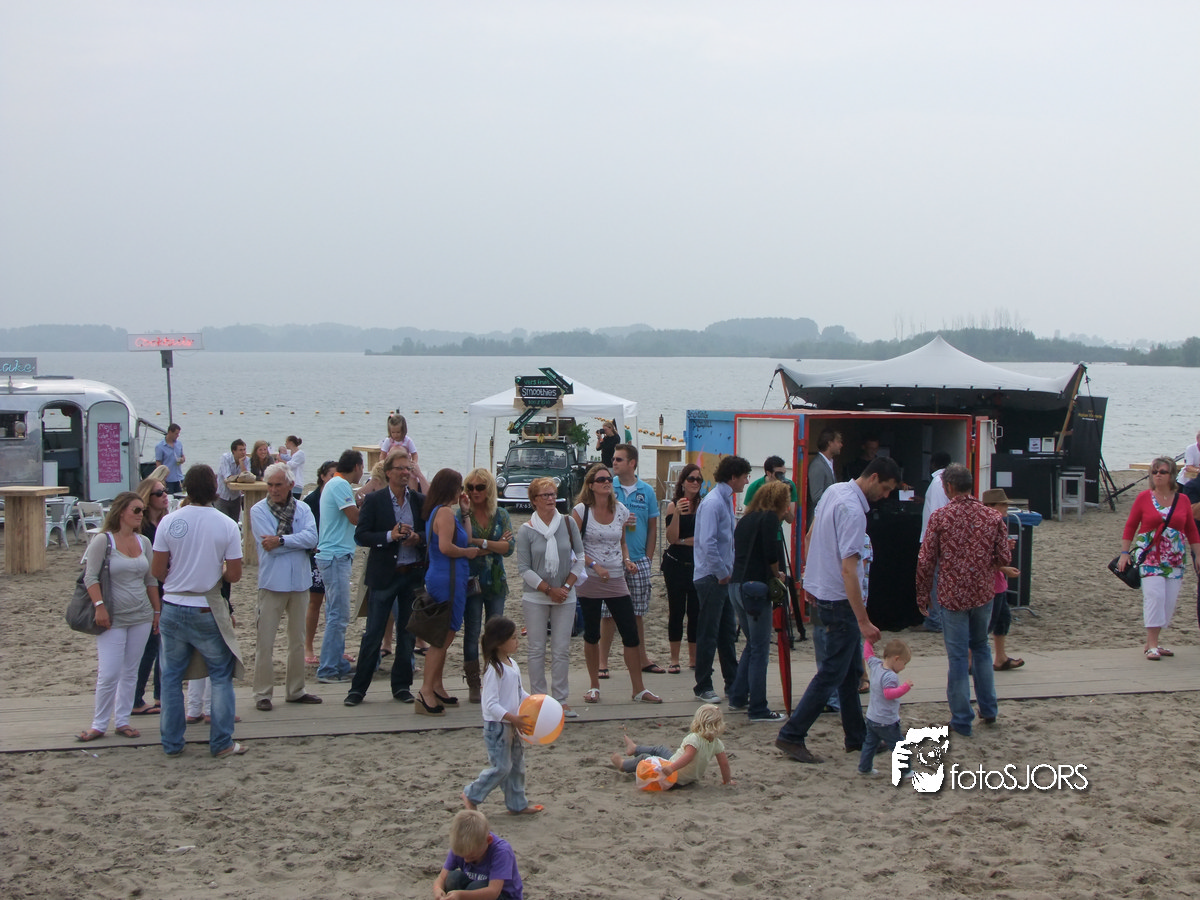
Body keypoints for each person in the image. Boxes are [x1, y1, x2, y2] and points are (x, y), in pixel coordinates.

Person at [775, 456, 901, 764]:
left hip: (825, 592)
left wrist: (811, 579)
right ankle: (792, 733)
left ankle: (856, 736)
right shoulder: (853, 510)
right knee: (832, 672)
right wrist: (864, 620)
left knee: (848, 671)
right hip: (839, 599)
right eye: (885, 488)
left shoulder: (835, 491)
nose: (885, 496)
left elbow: (809, 537)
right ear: (873, 478)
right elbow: (849, 569)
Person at [152, 465, 246, 758]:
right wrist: (215, 572)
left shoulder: (169, 522)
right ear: (215, 489)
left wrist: (179, 578)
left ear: (186, 489)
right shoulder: (227, 524)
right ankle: (221, 742)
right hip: (206, 606)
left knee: (171, 677)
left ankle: (172, 742)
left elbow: (157, 569)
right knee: (220, 675)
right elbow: (234, 574)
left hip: (173, 603)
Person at [916, 464, 1010, 737]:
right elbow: (1004, 557)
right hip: (982, 593)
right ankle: (988, 709)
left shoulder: (940, 517)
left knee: (958, 656)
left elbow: (926, 560)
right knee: (981, 647)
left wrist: (923, 594)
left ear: (948, 487)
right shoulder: (992, 517)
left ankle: (961, 718)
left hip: (952, 595)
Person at [572, 465, 662, 705]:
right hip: (591, 580)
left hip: (616, 578)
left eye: (609, 479)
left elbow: (622, 542)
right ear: (591, 485)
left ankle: (639, 689)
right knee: (592, 634)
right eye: (601, 479)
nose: (607, 482)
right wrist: (594, 566)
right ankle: (594, 686)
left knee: (630, 632)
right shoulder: (581, 511)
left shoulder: (620, 510)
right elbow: (575, 548)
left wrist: (627, 560)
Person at [75, 492, 161, 742]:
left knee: (131, 670)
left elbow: (150, 580)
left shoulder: (144, 542)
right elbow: (90, 577)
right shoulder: (104, 540)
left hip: (141, 615)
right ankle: (99, 724)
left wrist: (156, 611)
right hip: (113, 616)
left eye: (142, 510)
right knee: (109, 672)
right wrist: (99, 606)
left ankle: (122, 720)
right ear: (121, 511)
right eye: (136, 510)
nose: (140, 515)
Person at [344, 449, 427, 706]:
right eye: (400, 468)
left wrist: (418, 538)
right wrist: (390, 535)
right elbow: (361, 535)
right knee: (373, 633)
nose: (405, 473)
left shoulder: (418, 501)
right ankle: (358, 689)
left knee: (407, 634)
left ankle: (401, 686)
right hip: (383, 576)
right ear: (388, 472)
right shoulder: (375, 500)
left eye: (408, 468)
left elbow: (430, 534)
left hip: (411, 574)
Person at [249, 462, 322, 711]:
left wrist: (281, 540)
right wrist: (294, 543)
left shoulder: (303, 508)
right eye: (270, 485)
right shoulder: (258, 510)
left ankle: (296, 690)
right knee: (265, 641)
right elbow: (268, 546)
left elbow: (312, 538)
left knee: (297, 640)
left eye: (278, 485)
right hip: (272, 583)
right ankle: (262, 693)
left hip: (300, 582)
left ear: (290, 485)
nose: (273, 490)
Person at [1117, 457, 1200, 661]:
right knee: (1155, 596)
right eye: (1154, 472)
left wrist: (1198, 554)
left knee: (1168, 602)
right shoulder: (1144, 497)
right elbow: (1131, 525)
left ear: (1172, 475)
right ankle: (1152, 645)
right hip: (1150, 557)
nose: (1158, 475)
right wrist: (1124, 553)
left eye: (1162, 472)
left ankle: (1152, 642)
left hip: (1175, 558)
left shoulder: (1182, 499)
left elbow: (1191, 529)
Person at [516, 476, 585, 718]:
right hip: (536, 597)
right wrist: (548, 589)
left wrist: (565, 586)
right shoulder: (526, 530)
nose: (550, 499)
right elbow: (524, 569)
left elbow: (580, 557)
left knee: (561, 649)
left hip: (565, 595)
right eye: (545, 495)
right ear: (534, 500)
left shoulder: (567, 523)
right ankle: (539, 700)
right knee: (536, 649)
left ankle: (561, 700)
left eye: (553, 494)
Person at [461, 616, 542, 816]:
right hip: (497, 727)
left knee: (517, 766)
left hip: (513, 725)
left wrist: (535, 701)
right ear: (499, 642)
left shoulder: (512, 664)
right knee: (501, 768)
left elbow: (518, 692)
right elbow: (490, 704)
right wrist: (512, 718)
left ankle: (517, 804)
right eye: (513, 638)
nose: (517, 641)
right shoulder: (493, 669)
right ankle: (471, 794)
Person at [417, 468, 482, 716]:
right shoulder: (443, 512)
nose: (462, 492)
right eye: (460, 487)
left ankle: (436, 686)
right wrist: (466, 553)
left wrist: (465, 513)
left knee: (445, 633)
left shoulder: (443, 511)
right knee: (442, 635)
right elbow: (446, 547)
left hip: (450, 576)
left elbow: (466, 537)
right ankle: (425, 690)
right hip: (447, 578)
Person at [728, 479, 791, 722]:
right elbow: (771, 553)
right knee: (760, 648)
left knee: (752, 644)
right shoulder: (769, 519)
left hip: (736, 584)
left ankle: (738, 695)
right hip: (755, 587)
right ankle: (758, 707)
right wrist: (777, 575)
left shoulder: (746, 519)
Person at [692, 454, 752, 704]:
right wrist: (721, 573)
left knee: (727, 633)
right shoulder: (714, 502)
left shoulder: (725, 499)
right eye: (745, 476)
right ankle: (703, 685)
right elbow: (708, 543)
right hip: (711, 577)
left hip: (723, 577)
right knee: (709, 632)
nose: (747, 481)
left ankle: (733, 684)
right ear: (733, 477)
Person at [601, 443, 662, 674]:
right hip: (612, 559)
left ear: (632, 463)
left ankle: (642, 658)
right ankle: (602, 662)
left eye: (619, 459)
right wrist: (619, 520)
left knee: (637, 613)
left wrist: (648, 557)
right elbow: (598, 519)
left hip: (638, 559)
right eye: (614, 459)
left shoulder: (647, 491)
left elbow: (653, 527)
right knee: (608, 614)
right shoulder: (609, 487)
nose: (614, 462)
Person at [458, 468, 515, 704]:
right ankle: (474, 683)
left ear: (489, 489)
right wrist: (493, 544)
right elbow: (463, 545)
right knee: (472, 632)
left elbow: (509, 549)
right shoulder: (463, 514)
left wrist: (479, 543)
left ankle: (495, 679)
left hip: (496, 582)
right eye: (470, 487)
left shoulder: (500, 514)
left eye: (480, 487)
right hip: (471, 582)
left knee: (496, 633)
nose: (474, 491)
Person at [315, 450, 363, 684]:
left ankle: (337, 662)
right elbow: (355, 518)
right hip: (335, 555)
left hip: (335, 554)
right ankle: (328, 668)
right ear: (357, 467)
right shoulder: (340, 484)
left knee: (335, 612)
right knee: (338, 614)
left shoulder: (334, 484)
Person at [610, 704, 734, 787]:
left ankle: (623, 765)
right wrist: (727, 781)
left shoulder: (694, 739)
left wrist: (671, 768)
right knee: (660, 749)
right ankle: (635, 748)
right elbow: (724, 764)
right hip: (689, 778)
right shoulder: (717, 743)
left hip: (674, 775)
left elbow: (688, 757)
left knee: (645, 758)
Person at [129, 474, 171, 716]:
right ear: (147, 498)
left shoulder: (166, 523)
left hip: (166, 588)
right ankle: (136, 698)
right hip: (148, 590)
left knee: (163, 645)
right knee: (150, 646)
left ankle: (159, 696)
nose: (165, 496)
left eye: (165, 491)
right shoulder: (141, 529)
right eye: (159, 493)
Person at [662, 464, 702, 673]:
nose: (695, 483)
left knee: (695, 612)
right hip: (676, 564)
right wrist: (677, 513)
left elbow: (703, 539)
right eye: (691, 479)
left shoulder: (703, 505)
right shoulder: (673, 505)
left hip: (697, 565)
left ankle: (693, 659)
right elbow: (672, 538)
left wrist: (684, 541)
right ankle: (674, 659)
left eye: (698, 479)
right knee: (676, 611)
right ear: (683, 482)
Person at [432, 809, 524, 900]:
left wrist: (460, 895)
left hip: (502, 895)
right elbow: (442, 878)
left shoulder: (501, 851)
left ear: (488, 841)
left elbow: (494, 892)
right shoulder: (461, 845)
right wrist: (438, 889)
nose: (466, 860)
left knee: (476, 886)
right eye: (463, 856)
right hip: (473, 887)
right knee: (454, 878)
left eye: (472, 857)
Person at [981, 488, 1024, 671]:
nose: (1006, 508)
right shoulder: (986, 525)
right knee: (987, 624)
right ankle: (971, 661)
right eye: (1003, 504)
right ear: (991, 506)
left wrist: (1005, 547)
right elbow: (984, 557)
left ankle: (1000, 658)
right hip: (990, 584)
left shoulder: (996, 524)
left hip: (997, 582)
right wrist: (1004, 567)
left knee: (1002, 619)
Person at [857, 638, 913, 777]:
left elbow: (868, 655)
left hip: (872, 718)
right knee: (899, 746)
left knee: (870, 745)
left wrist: (869, 641)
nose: (903, 667)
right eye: (904, 663)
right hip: (886, 721)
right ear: (896, 659)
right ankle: (906, 771)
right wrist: (905, 687)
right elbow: (889, 694)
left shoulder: (876, 665)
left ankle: (864, 768)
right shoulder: (890, 676)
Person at [303, 460, 337, 665]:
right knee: (315, 601)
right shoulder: (312, 500)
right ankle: (308, 646)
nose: (335, 479)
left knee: (334, 604)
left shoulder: (340, 497)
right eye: (331, 475)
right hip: (316, 555)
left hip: (336, 554)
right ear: (323, 476)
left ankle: (333, 648)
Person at [918, 451, 954, 633]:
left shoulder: (938, 482)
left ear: (933, 464)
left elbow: (938, 513)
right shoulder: (945, 482)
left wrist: (934, 543)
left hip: (935, 540)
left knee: (934, 579)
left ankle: (935, 620)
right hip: (939, 539)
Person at [807, 428, 842, 515]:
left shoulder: (828, 463)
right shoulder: (817, 465)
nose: (841, 445)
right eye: (838, 442)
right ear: (829, 443)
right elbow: (816, 497)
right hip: (818, 517)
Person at [214, 439, 250, 522]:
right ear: (234, 451)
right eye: (240, 450)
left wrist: (241, 463)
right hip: (222, 496)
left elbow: (247, 477)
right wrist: (241, 478)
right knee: (222, 522)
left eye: (244, 449)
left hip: (235, 497)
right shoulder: (225, 458)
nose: (243, 452)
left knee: (234, 522)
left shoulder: (246, 460)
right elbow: (228, 478)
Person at [154, 424, 186, 493]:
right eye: (176, 434)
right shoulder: (160, 446)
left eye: (178, 434)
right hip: (168, 479)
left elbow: (183, 456)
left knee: (182, 495)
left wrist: (182, 459)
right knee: (170, 497)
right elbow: (158, 462)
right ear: (170, 432)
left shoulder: (179, 444)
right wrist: (160, 478)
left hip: (179, 477)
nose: (178, 435)